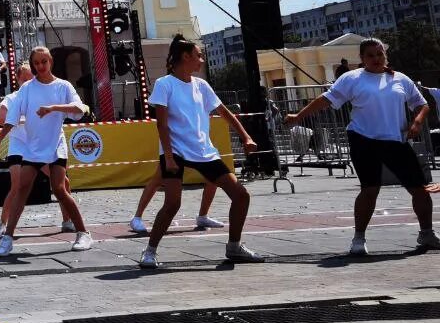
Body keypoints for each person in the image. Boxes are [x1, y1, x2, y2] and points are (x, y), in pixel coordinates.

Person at [285, 37, 438, 255]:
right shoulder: (352, 78)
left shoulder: (401, 79)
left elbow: (421, 104)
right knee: (370, 190)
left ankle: (426, 233)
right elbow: (326, 100)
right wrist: (299, 116)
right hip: (363, 139)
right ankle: (359, 239)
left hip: (396, 140)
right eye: (370, 55)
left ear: (385, 55)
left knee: (420, 191)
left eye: (379, 54)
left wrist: (417, 121)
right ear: (362, 59)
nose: (376, 59)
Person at [139, 36, 264, 269]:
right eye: (198, 55)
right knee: (172, 203)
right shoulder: (165, 84)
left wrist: (245, 136)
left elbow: (225, 113)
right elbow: (161, 125)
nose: (201, 60)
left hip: (203, 150)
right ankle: (150, 251)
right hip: (174, 150)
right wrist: (167, 157)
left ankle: (234, 247)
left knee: (240, 195)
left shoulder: (201, 85)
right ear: (185, 57)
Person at [0, 46, 93, 254]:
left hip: (55, 145)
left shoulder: (63, 86)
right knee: (22, 188)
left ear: (50, 62)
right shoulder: (27, 89)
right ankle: (8, 238)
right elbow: (11, 118)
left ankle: (83, 233)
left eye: (43, 62)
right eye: (36, 63)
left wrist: (54, 108)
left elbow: (80, 109)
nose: (40, 66)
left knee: (59, 188)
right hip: (33, 147)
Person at [0, 63, 75, 239]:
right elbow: (0, 119)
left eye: (31, 77)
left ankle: (67, 221)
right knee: (17, 185)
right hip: (19, 145)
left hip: (38, 145)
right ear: (18, 80)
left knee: (62, 182)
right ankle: (2, 224)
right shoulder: (13, 97)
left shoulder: (45, 93)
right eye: (25, 78)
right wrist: (23, 119)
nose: (29, 81)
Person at [129, 169, 220, 234]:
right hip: (177, 147)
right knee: (159, 179)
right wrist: (168, 157)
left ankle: (202, 217)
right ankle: (137, 218)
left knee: (214, 175)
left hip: (200, 145)